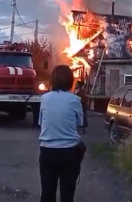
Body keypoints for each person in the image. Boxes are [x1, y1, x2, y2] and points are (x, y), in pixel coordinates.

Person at [38, 65, 86, 202]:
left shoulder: (45, 98)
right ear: (70, 80)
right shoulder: (75, 100)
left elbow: (41, 123)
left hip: (47, 150)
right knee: (67, 194)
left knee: (47, 193)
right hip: (69, 151)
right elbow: (80, 123)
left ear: (53, 80)